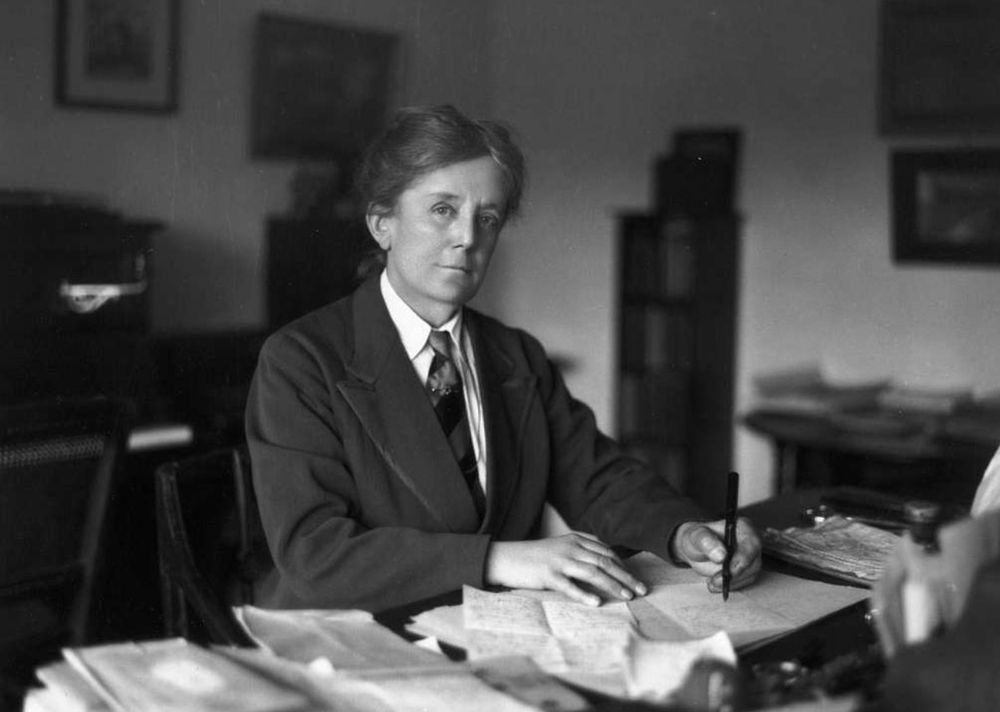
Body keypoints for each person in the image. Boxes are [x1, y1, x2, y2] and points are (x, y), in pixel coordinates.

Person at [246, 104, 762, 613]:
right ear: (383, 223)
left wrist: (684, 532)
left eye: (487, 218)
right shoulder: (301, 360)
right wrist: (494, 559)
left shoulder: (516, 355)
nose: (468, 237)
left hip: (482, 627)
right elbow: (314, 556)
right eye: (443, 210)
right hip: (347, 633)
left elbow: (597, 477)